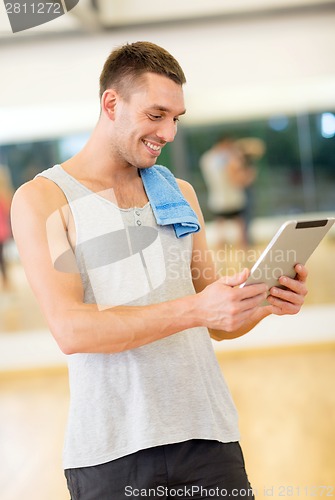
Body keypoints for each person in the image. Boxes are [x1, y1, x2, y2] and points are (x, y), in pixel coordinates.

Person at [11, 41, 308, 499]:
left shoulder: (179, 192)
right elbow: (71, 330)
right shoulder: (44, 199)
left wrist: (263, 301)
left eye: (176, 118)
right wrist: (196, 310)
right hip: (112, 452)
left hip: (208, 436)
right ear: (112, 103)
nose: (168, 132)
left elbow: (216, 322)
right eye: (156, 115)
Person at [200, 137, 264, 248]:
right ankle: (243, 252)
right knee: (239, 228)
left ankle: (225, 255)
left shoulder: (207, 158)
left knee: (222, 228)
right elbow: (238, 179)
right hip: (231, 197)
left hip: (218, 198)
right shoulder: (229, 158)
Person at [0, 164, 13, 290]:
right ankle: (6, 282)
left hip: (1, 231)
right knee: (3, 258)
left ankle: (6, 282)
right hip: (3, 232)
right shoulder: (5, 194)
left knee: (2, 258)